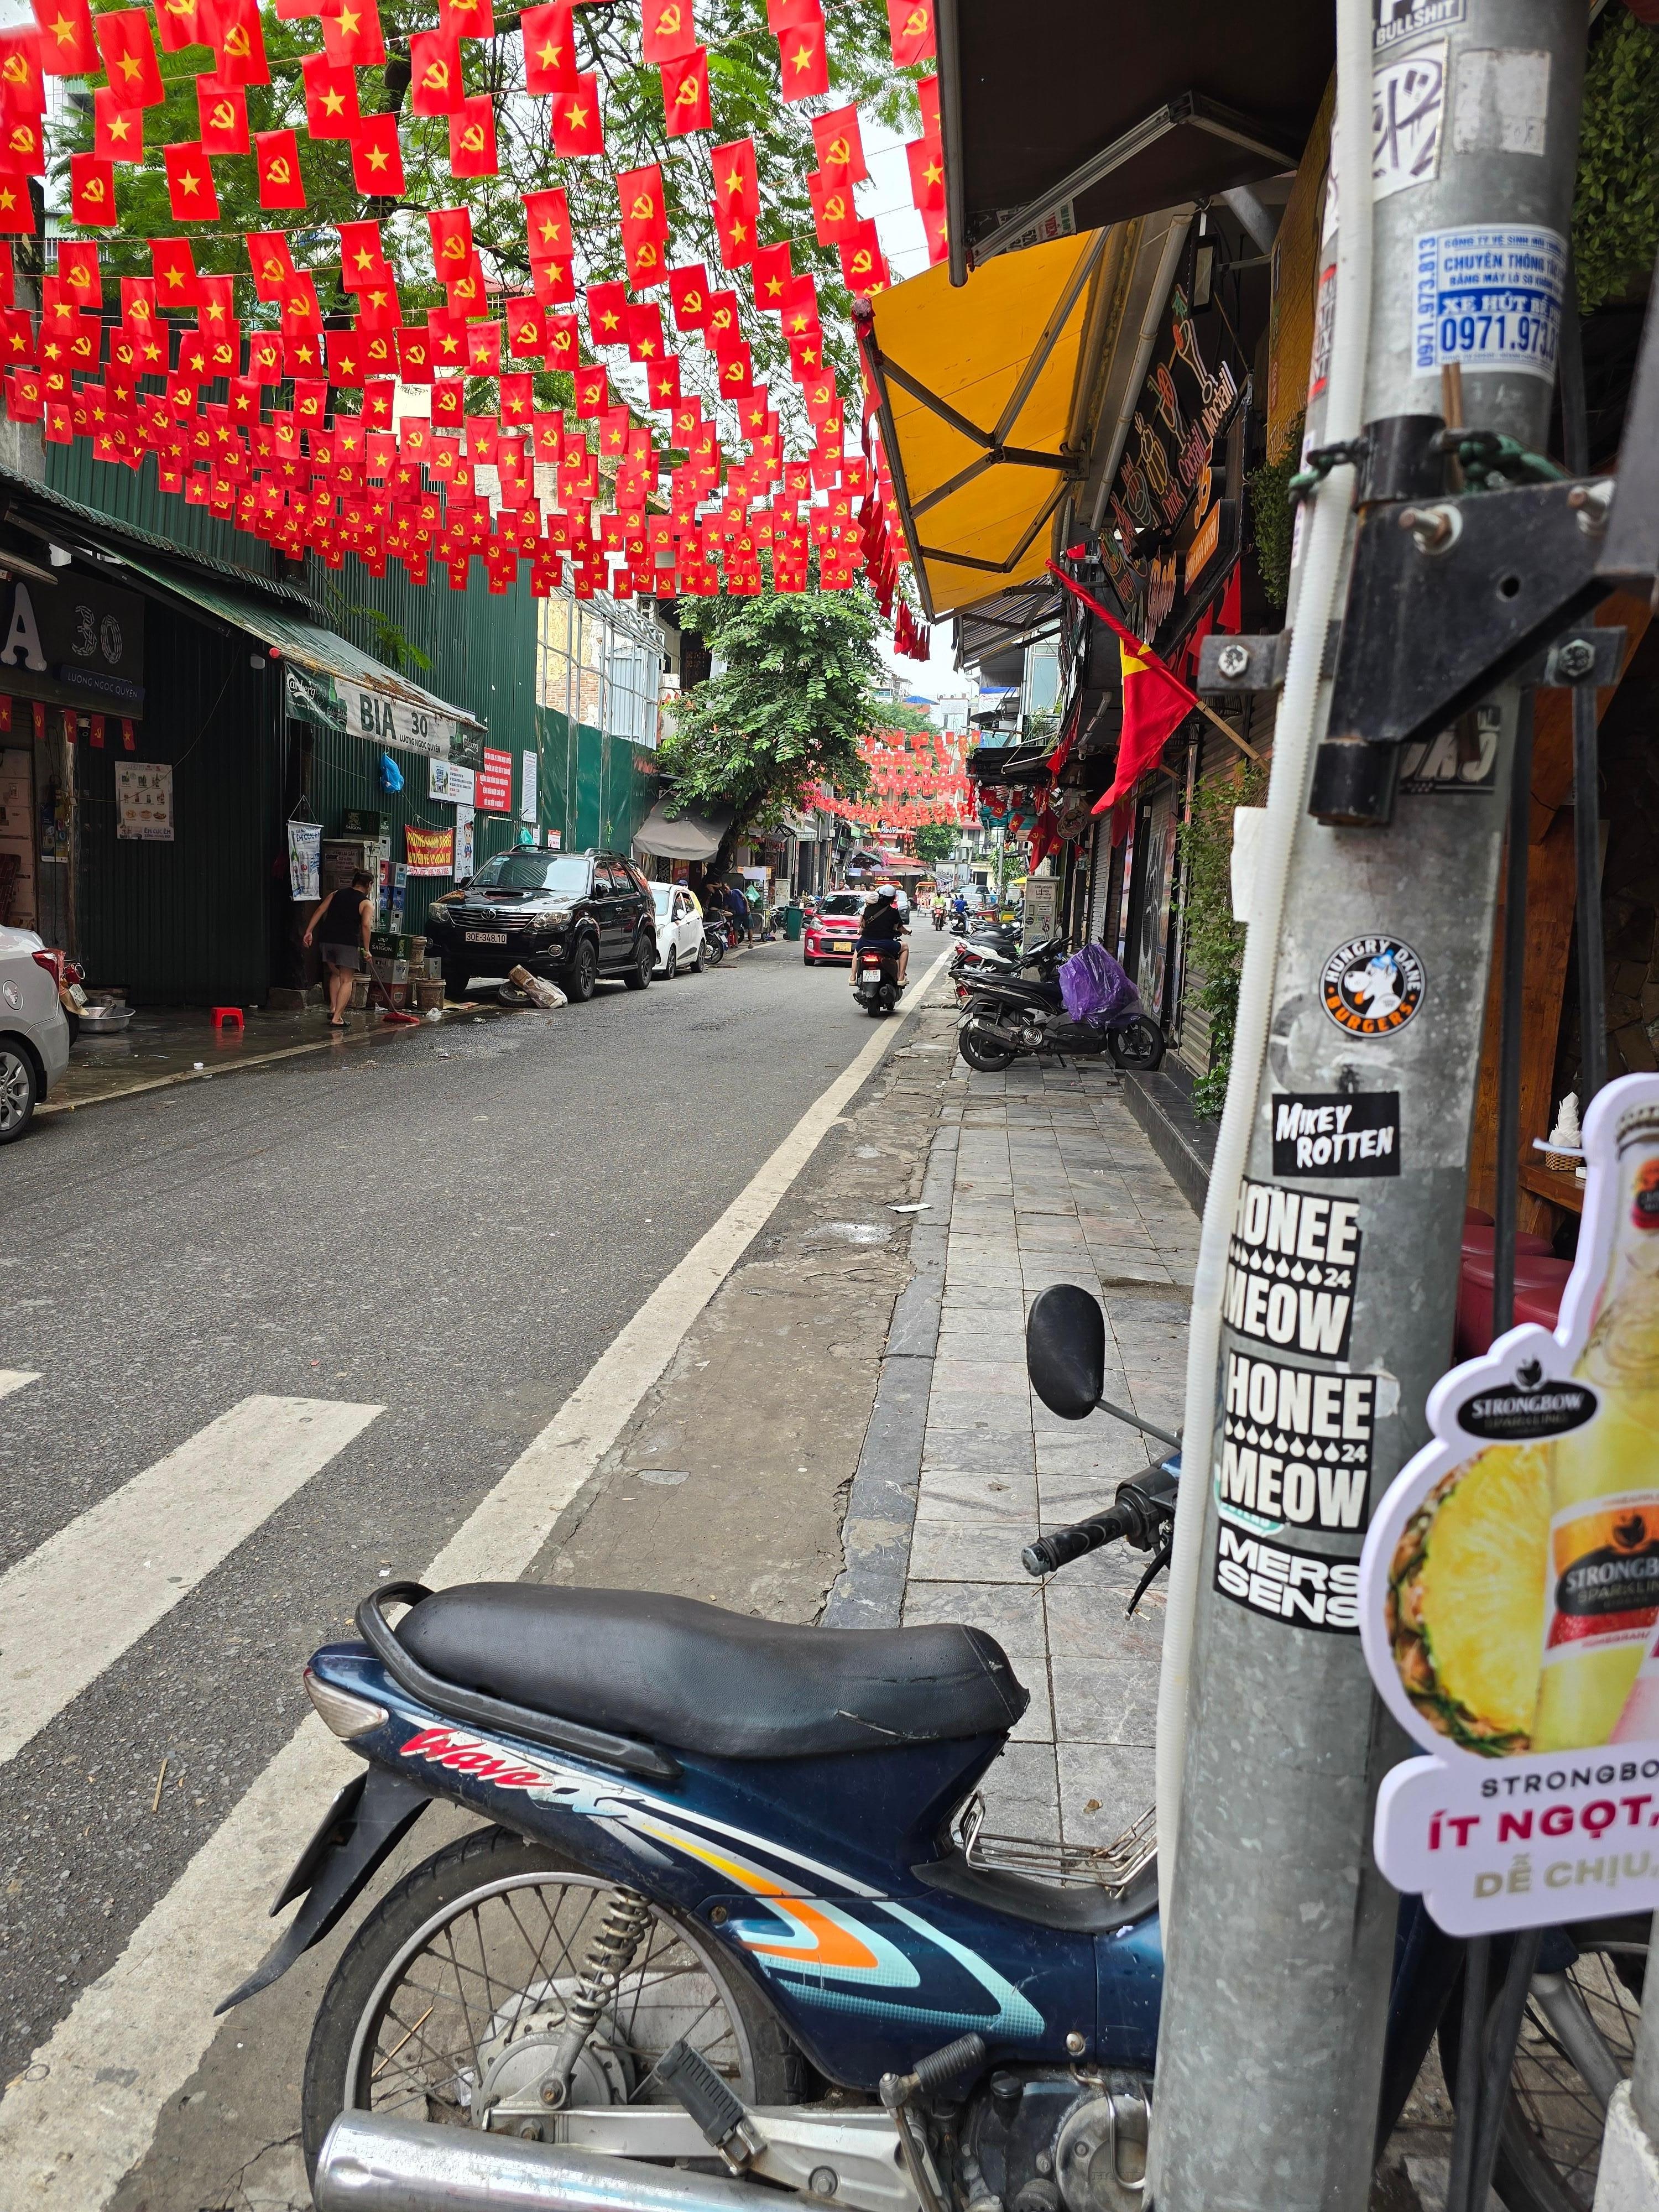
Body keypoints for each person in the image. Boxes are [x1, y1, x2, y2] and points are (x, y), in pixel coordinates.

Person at [304, 869, 374, 1029]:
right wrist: (367, 949)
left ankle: (333, 1008)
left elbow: (321, 910)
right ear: (369, 885)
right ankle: (337, 1018)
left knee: (335, 974)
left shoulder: (336, 894)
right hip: (347, 943)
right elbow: (365, 925)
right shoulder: (366, 903)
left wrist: (309, 931)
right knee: (347, 979)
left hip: (327, 941)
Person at [858, 883, 909, 984]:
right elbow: (900, 929)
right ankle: (901, 977)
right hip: (886, 945)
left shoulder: (868, 909)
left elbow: (862, 925)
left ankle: (853, 977)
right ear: (893, 898)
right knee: (905, 947)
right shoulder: (894, 912)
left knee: (857, 951)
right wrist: (907, 932)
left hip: (865, 943)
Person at [726, 878, 754, 946]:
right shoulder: (726, 898)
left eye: (726, 888)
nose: (725, 890)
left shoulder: (736, 891)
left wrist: (747, 908)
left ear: (729, 887)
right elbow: (726, 907)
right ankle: (736, 943)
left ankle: (751, 943)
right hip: (738, 914)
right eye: (724, 889)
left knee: (750, 927)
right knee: (735, 928)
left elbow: (745, 898)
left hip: (746, 913)